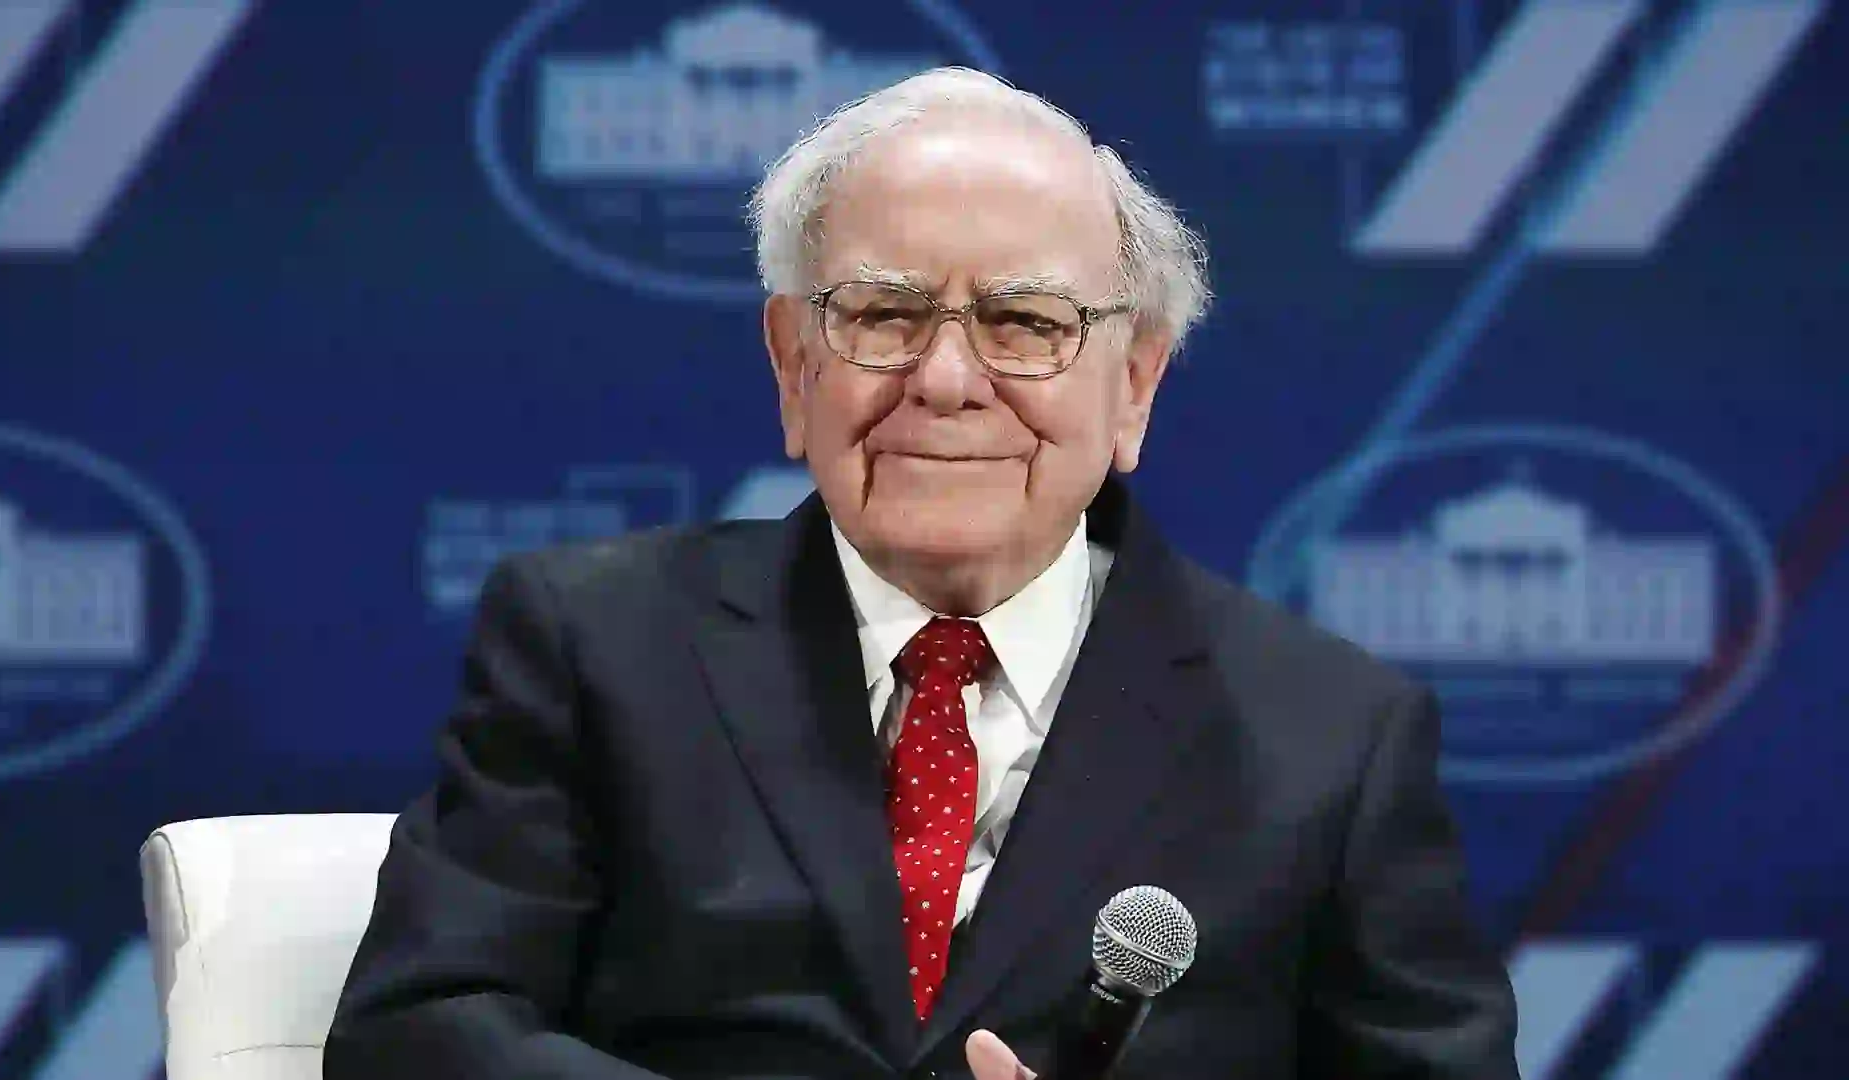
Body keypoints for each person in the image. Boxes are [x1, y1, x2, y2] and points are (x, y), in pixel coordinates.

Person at [325, 67, 1519, 1079]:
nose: (946, 379)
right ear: (795, 365)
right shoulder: (593, 644)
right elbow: (420, 1034)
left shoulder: (1329, 735)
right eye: (885, 315)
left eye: (1025, 324)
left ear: (1136, 385)